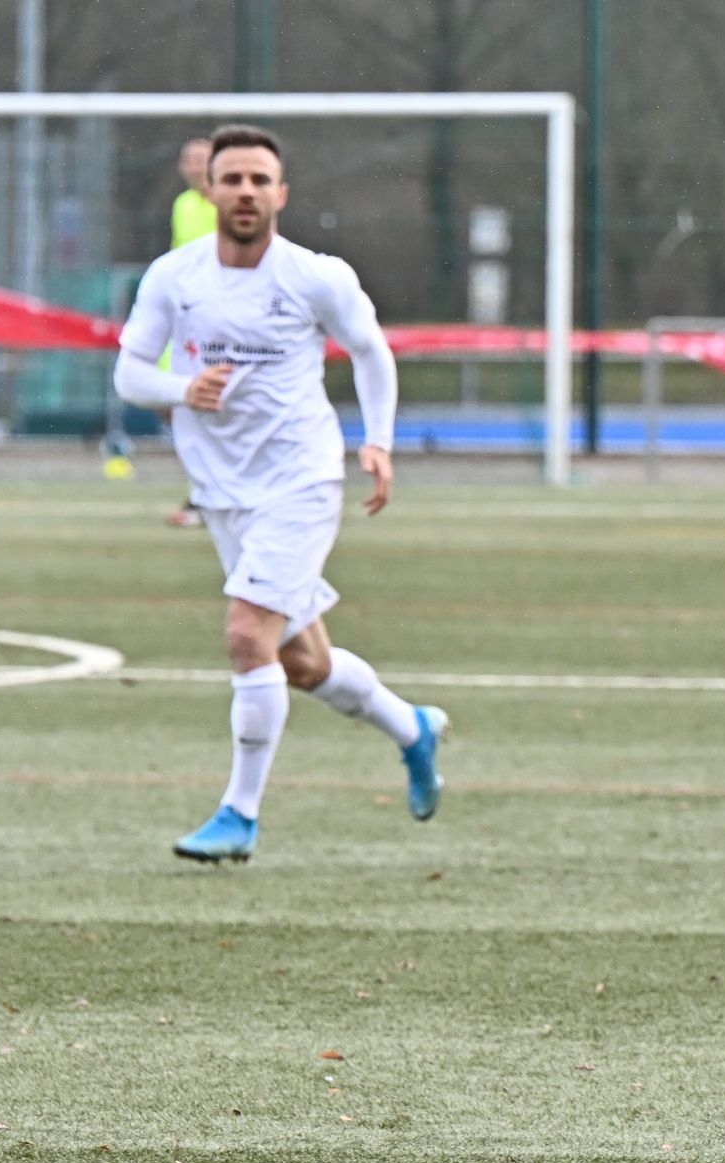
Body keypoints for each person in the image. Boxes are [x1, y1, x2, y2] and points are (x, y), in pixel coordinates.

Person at [113, 123, 447, 863]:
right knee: (302, 663)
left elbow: (371, 352)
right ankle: (412, 728)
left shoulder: (315, 276)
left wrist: (379, 440)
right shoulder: (173, 277)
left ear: (281, 194)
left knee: (245, 635)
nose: (246, 192)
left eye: (259, 180)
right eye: (232, 179)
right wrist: (181, 389)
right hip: (222, 491)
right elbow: (129, 373)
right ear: (210, 189)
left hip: (301, 479)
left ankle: (240, 814)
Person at [165, 136, 218, 527]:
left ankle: (209, 496)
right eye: (190, 159)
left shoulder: (229, 202)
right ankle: (204, 493)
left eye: (203, 159)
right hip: (188, 320)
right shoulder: (182, 205)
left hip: (223, 321)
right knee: (183, 408)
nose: (196, 166)